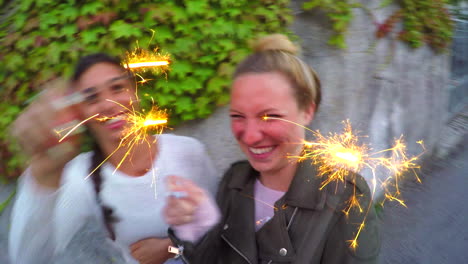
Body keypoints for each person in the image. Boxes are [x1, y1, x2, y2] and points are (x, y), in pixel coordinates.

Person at [164, 34, 381, 263]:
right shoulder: (234, 181)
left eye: (269, 116)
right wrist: (191, 228)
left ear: (307, 111)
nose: (249, 136)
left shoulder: (345, 197)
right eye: (238, 116)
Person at [8, 53, 219, 264]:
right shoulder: (81, 178)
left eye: (117, 88)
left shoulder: (188, 152)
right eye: (92, 98)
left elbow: (220, 226)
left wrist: (170, 248)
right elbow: (29, 257)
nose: (108, 104)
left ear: (135, 93)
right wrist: (44, 175)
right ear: (81, 115)